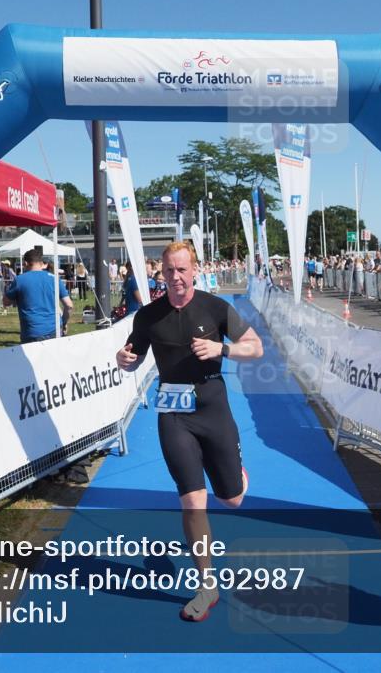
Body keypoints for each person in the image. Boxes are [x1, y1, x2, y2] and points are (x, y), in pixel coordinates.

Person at [116, 242, 263, 622]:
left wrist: (221, 350)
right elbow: (132, 359)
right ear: (160, 273)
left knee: (231, 500)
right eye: (169, 271)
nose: (176, 278)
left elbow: (256, 347)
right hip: (173, 415)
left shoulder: (215, 308)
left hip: (214, 411)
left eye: (182, 270)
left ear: (195, 270)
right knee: (193, 502)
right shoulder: (148, 316)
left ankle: (236, 478)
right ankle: (207, 586)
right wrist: (124, 360)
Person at [3, 248, 73, 343]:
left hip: (32, 332)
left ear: (26, 263)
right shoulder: (54, 278)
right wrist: (64, 322)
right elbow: (69, 305)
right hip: (55, 330)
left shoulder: (19, 280)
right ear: (41, 262)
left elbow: (6, 302)